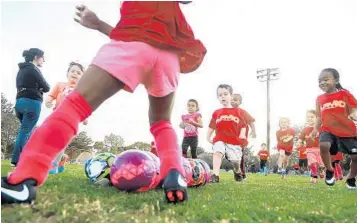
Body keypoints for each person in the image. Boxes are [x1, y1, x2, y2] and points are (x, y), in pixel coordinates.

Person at [1, 1, 206, 205]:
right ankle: (175, 174)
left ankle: (23, 181)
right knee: (162, 123)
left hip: (132, 45)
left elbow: (134, 32)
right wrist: (99, 24)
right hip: (168, 57)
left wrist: (98, 24)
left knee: (74, 107)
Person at [311, 68, 357, 189]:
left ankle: (351, 178)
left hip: (347, 131)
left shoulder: (344, 94)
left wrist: (353, 114)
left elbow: (354, 106)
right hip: (328, 129)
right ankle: (329, 170)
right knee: (323, 145)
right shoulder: (319, 99)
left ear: (336, 80)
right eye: (320, 80)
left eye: (326, 79)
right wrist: (315, 129)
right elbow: (319, 117)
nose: (322, 82)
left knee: (356, 157)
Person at [45, 61, 87, 174]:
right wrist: (48, 101)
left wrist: (86, 117)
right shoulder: (60, 85)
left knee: (61, 142)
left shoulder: (82, 90)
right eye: (72, 71)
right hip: (56, 117)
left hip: (71, 120)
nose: (75, 73)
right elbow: (51, 95)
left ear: (82, 77)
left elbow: (85, 105)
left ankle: (53, 165)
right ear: (67, 73)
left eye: (78, 72)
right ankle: (62, 158)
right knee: (50, 141)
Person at [11, 48, 50, 167]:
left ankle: (24, 157)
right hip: (32, 103)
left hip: (19, 102)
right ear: (36, 57)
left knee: (24, 131)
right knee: (25, 131)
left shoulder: (21, 71)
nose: (44, 60)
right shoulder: (34, 69)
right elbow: (47, 87)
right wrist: (39, 89)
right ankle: (17, 160)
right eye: (43, 58)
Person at [207, 84, 247, 183]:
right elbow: (212, 126)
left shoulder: (237, 111)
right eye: (220, 95)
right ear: (218, 98)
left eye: (225, 94)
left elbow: (244, 125)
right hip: (220, 138)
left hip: (234, 140)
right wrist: (208, 136)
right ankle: (215, 175)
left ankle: (237, 172)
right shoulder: (217, 112)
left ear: (231, 96)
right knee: (217, 153)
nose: (223, 96)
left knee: (235, 161)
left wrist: (242, 134)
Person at [231, 93, 256, 180]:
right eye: (231, 99)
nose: (233, 101)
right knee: (230, 155)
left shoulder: (242, 112)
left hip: (240, 139)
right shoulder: (227, 112)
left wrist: (253, 131)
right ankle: (237, 170)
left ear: (240, 102)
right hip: (229, 138)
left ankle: (242, 173)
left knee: (239, 156)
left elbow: (251, 121)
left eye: (235, 99)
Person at [298, 110, 324, 184]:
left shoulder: (321, 128)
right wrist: (299, 142)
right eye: (308, 117)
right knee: (312, 163)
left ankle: (321, 170)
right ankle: (314, 177)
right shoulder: (305, 129)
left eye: (312, 117)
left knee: (320, 164)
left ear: (317, 118)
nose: (309, 118)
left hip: (320, 149)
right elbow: (301, 138)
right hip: (309, 150)